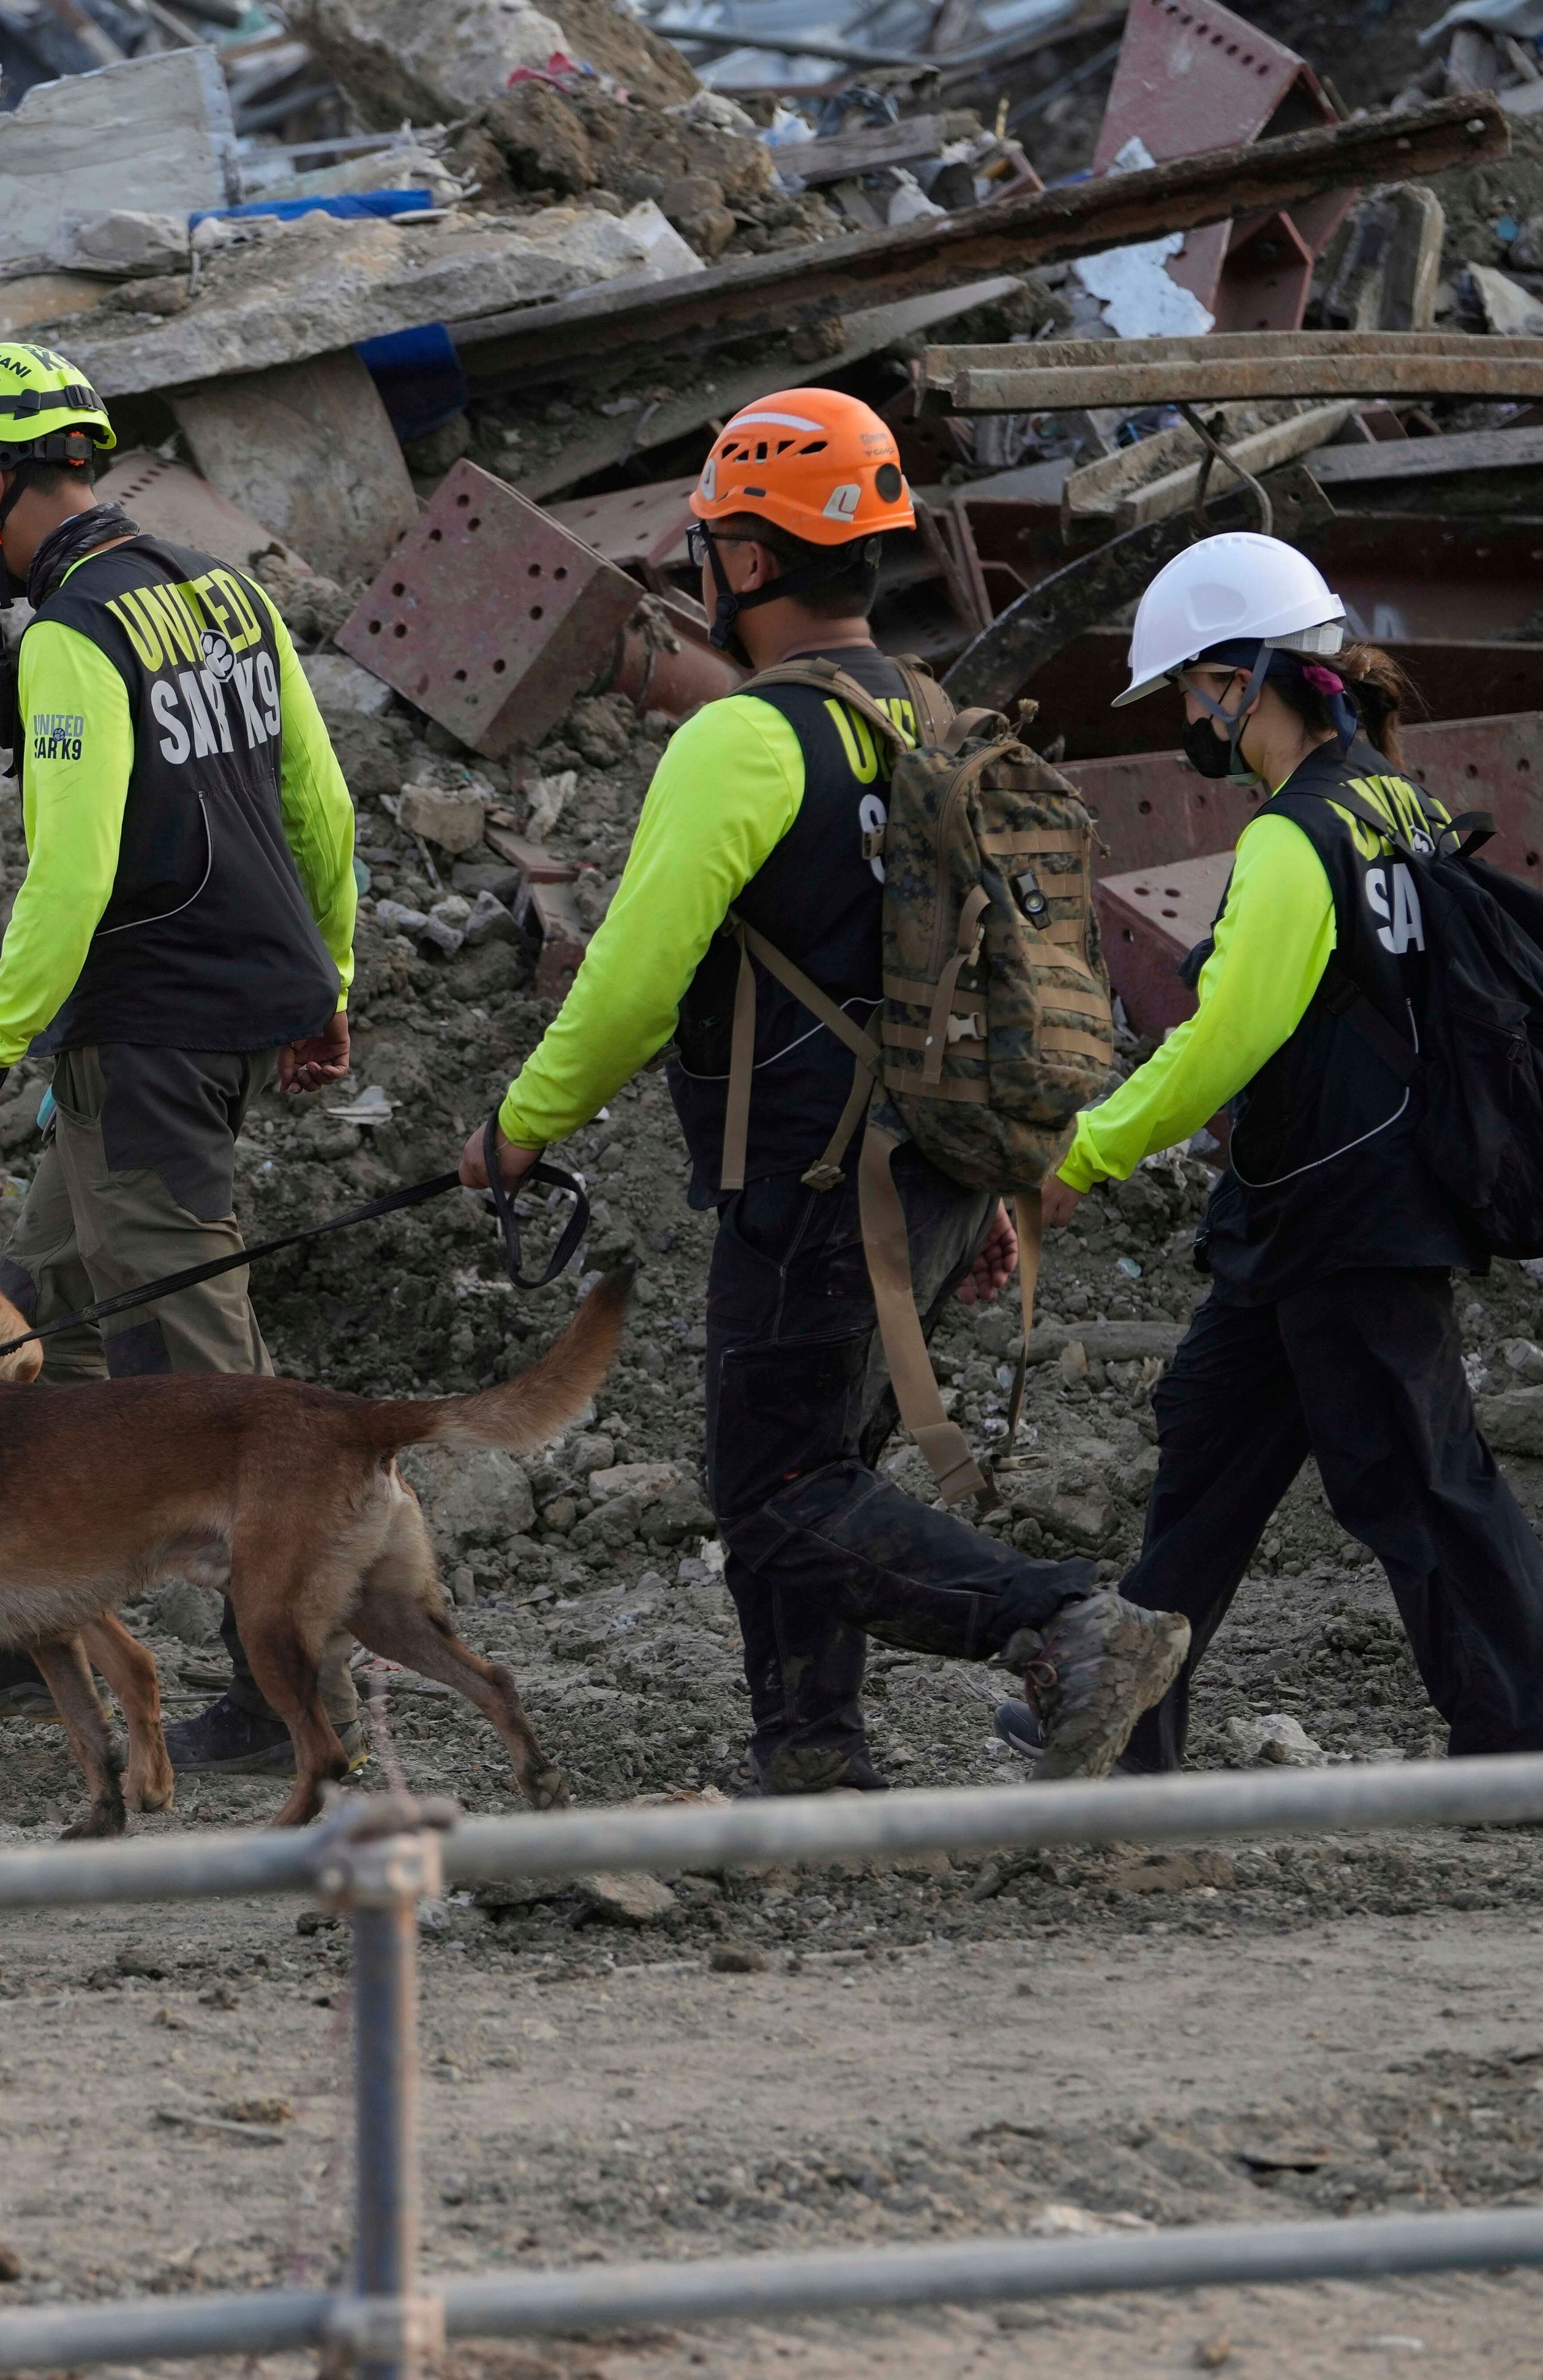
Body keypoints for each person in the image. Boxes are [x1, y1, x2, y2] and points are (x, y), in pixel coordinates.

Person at [459, 390, 1187, 1791]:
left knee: (780, 1493)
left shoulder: (743, 739)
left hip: (808, 1178)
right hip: (932, 1167)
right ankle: (809, 1751)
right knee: (819, 1464)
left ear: (745, 559)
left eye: (711, 547)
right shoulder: (933, 715)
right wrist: (996, 1175)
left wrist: (518, 1128)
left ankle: (1063, 1623)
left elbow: (630, 987)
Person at [1032, 531, 1543, 1772]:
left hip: (1349, 1213)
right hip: (1309, 1210)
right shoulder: (1392, 799)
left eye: (1191, 689)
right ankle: (1126, 1729)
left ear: (1243, 678)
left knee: (1420, 1482)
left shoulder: (1294, 837)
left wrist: (1088, 1151)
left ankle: (1538, 1749)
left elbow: (1225, 1036)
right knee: (1208, 1456)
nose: (1189, 717)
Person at [0, 343, 363, 1776]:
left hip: (148, 1033)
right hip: (221, 1008)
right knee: (35, 1305)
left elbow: (73, 874)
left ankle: (290, 1686)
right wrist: (327, 981)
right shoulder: (224, 592)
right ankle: (23, 1609)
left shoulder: (68, 635)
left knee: (199, 1364)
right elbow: (319, 803)